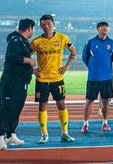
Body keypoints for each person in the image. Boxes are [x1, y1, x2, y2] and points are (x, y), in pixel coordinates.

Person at [31, 14, 76, 143]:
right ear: (40, 26)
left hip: (57, 78)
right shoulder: (36, 42)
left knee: (61, 104)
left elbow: (73, 51)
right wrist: (32, 69)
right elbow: (26, 56)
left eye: (49, 24)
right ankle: (44, 135)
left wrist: (66, 66)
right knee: (42, 106)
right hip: (42, 79)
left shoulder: (62, 38)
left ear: (53, 24)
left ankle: (65, 133)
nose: (46, 26)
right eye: (43, 24)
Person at [0, 18, 35, 151]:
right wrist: (28, 60)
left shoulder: (23, 42)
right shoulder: (16, 40)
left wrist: (31, 70)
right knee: (6, 108)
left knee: (16, 108)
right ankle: (0, 137)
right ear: (29, 28)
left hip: (21, 81)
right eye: (33, 29)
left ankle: (10, 135)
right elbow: (11, 57)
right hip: (11, 81)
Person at [81, 21, 113, 133]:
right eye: (102, 27)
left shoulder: (112, 42)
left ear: (108, 29)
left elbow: (111, 58)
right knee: (89, 101)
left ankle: (105, 123)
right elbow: (84, 58)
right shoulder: (90, 42)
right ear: (97, 29)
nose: (104, 29)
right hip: (94, 77)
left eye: (106, 27)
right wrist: (93, 67)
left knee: (106, 101)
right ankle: (85, 124)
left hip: (107, 77)